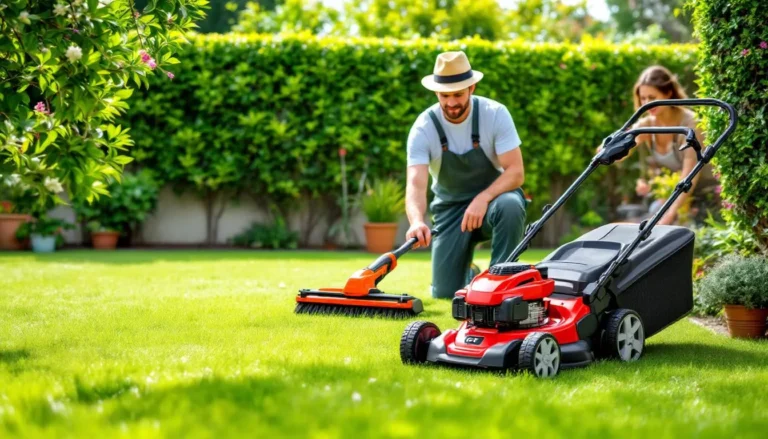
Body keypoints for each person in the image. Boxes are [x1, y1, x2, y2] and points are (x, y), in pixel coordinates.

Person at [404, 51, 527, 299]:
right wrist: (416, 221)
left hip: (494, 204)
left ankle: (501, 284)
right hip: (451, 211)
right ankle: (471, 275)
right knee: (444, 293)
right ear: (436, 92)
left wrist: (483, 198)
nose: (451, 103)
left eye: (458, 94)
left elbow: (516, 172)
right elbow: (415, 185)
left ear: (472, 88)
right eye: (444, 95)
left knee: (511, 204)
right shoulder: (423, 127)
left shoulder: (495, 114)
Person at [620, 65, 719, 225]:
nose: (647, 103)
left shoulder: (690, 125)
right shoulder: (647, 125)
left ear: (668, 93)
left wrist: (670, 213)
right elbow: (624, 145)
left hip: (706, 197)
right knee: (653, 210)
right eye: (643, 98)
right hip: (678, 196)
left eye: (652, 98)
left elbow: (690, 175)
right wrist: (609, 150)